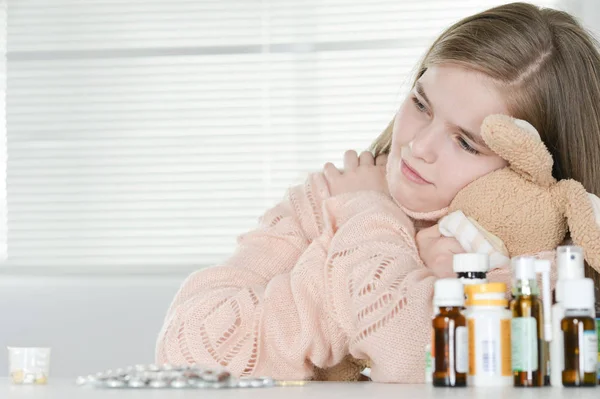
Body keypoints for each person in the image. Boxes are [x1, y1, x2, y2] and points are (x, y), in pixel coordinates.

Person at [156, 2, 600, 383]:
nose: (418, 146)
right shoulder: (332, 197)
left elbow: (416, 358)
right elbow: (186, 349)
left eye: (466, 142)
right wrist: (366, 224)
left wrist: (362, 228)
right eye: (421, 105)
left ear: (534, 167)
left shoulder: (532, 266)